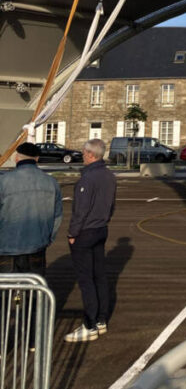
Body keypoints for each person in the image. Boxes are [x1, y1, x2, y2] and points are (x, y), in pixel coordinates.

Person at [65, 138, 116, 343]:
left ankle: (90, 324)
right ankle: (101, 319)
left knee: (86, 280)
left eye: (84, 153)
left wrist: (72, 233)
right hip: (101, 229)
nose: (82, 156)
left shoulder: (87, 178)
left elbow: (81, 210)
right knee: (99, 276)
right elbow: (111, 205)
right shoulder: (109, 175)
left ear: (90, 154)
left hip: (85, 232)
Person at [0, 141, 62, 276]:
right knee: (35, 286)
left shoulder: (3, 181)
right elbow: (57, 216)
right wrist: (48, 239)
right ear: (37, 159)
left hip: (7, 246)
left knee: (6, 286)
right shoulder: (51, 182)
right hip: (37, 245)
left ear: (17, 158)